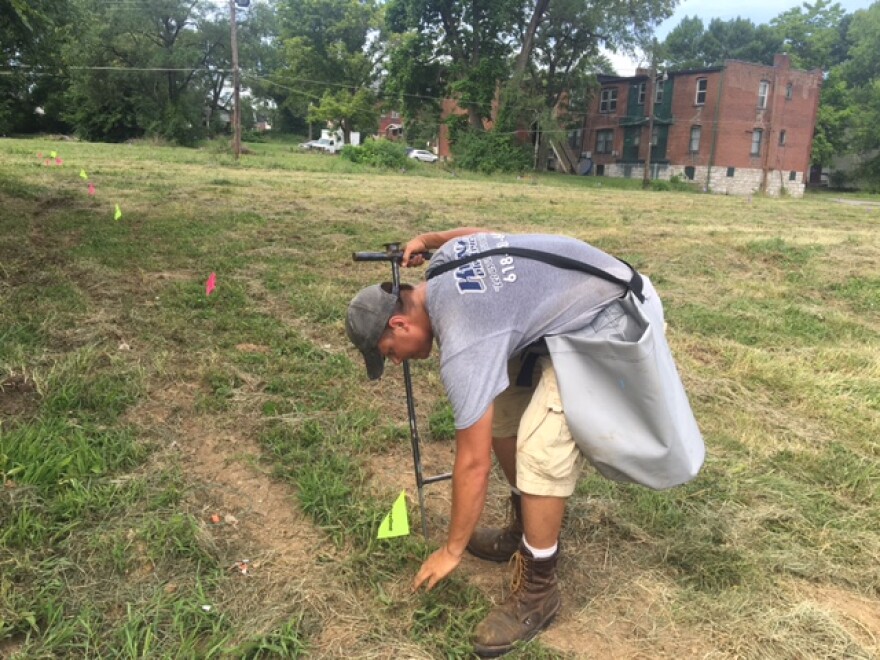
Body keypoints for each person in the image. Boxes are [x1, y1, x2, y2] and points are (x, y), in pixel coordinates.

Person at [345, 228, 658, 657]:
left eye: (389, 351)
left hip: (615, 316)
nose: (396, 360)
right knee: (505, 413)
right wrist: (433, 237)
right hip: (583, 300)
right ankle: (525, 528)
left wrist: (452, 549)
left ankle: (539, 588)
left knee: (541, 448)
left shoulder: (465, 339)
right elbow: (488, 235)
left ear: (399, 323)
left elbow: (472, 463)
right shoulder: (446, 258)